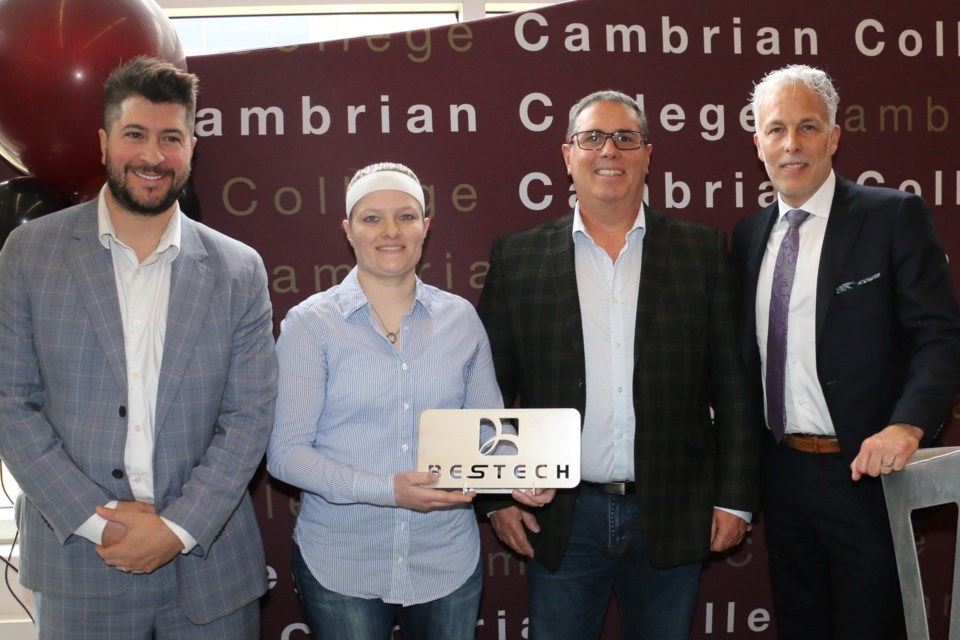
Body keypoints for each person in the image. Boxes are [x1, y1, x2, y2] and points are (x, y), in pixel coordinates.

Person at [0, 56, 278, 639]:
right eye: (135, 135)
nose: (152, 156)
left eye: (170, 138)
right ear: (104, 142)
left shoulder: (239, 269)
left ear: (192, 148)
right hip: (80, 564)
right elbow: (9, 403)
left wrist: (176, 529)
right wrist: (100, 525)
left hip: (210, 569)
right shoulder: (29, 254)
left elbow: (249, 418)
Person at [476, 90, 758, 639]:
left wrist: (737, 499)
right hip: (561, 516)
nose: (610, 150)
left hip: (673, 510)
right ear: (567, 155)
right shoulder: (517, 257)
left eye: (625, 138)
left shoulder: (701, 252)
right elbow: (487, 386)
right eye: (592, 138)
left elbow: (734, 386)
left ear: (648, 154)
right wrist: (493, 498)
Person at [731, 64, 960, 639]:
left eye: (808, 127)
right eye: (776, 129)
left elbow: (940, 336)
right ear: (757, 142)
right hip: (781, 477)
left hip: (866, 476)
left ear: (834, 137)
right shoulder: (745, 238)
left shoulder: (890, 216)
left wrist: (907, 427)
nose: (792, 144)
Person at [267, 162, 541, 639]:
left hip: (445, 560)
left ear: (425, 228)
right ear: (348, 230)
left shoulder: (461, 320)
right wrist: (386, 489)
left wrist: (523, 475)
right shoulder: (310, 325)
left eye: (406, 216)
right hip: (342, 563)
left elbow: (489, 433)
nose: (390, 231)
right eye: (372, 218)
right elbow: (286, 455)